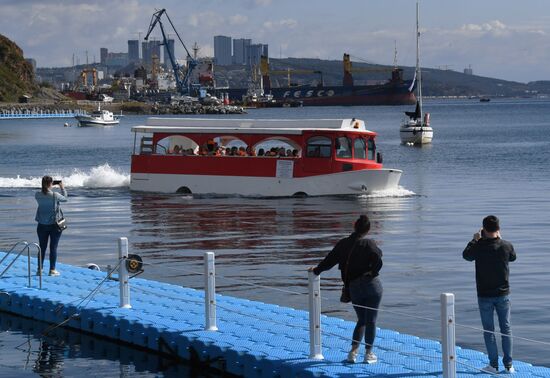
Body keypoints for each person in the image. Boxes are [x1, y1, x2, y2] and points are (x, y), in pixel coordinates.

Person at [309, 215, 383, 364]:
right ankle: (369, 354)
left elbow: (329, 261)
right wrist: (372, 272)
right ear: (368, 229)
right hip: (371, 285)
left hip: (354, 287)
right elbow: (378, 259)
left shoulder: (343, 244)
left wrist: (316, 271)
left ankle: (353, 352)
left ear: (354, 225)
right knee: (371, 320)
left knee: (361, 319)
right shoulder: (369, 244)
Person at [463, 215, 516, 374]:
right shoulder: (506, 245)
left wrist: (474, 240)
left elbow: (466, 256)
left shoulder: (478, 246)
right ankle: (509, 365)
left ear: (483, 230)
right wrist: (501, 239)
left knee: (489, 330)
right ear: (498, 229)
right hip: (503, 294)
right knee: (506, 329)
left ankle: (493, 365)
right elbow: (513, 257)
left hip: (485, 295)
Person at [35, 176, 68, 276]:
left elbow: (44, 192)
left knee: (42, 247)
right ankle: (52, 270)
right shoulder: (55, 195)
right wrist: (62, 187)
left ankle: (39, 269)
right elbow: (65, 199)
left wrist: (49, 187)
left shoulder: (37, 195)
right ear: (51, 184)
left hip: (41, 225)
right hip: (54, 225)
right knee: (53, 247)